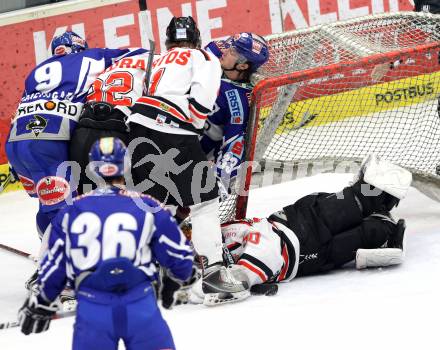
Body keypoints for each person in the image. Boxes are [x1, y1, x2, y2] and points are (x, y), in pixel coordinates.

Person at [18, 137, 194, 350]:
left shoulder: (71, 211)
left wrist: (42, 302)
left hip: (93, 311)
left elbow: (54, 264)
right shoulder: (148, 205)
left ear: (93, 168)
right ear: (127, 165)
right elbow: (180, 255)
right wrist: (174, 281)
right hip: (141, 306)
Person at [126, 17, 249, 304]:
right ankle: (215, 278)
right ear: (196, 39)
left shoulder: (155, 60)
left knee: (155, 206)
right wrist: (190, 124)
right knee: (205, 201)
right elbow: (201, 104)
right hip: (171, 129)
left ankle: (143, 276)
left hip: (137, 131)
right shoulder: (204, 56)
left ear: (168, 41)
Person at [184, 155, 412, 303]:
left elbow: (258, 240)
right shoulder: (219, 262)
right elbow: (229, 283)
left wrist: (241, 274)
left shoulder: (212, 240)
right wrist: (209, 287)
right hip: (304, 251)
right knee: (365, 224)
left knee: (357, 207)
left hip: (297, 224)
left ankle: (381, 209)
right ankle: (383, 220)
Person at [5, 31, 134, 240]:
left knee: (48, 202)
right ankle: (66, 259)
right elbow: (134, 55)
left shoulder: (35, 72)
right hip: (47, 144)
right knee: (66, 209)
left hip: (15, 144)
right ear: (79, 47)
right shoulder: (93, 56)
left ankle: (50, 252)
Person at [70, 45, 153, 194]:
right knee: (130, 200)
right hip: (118, 130)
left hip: (82, 133)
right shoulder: (157, 62)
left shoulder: (107, 67)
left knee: (85, 200)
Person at [201, 33, 269, 190]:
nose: (226, 51)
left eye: (233, 52)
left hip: (190, 151)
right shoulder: (215, 52)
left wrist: (220, 180)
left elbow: (234, 147)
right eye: (230, 46)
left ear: (243, 66)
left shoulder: (239, 102)